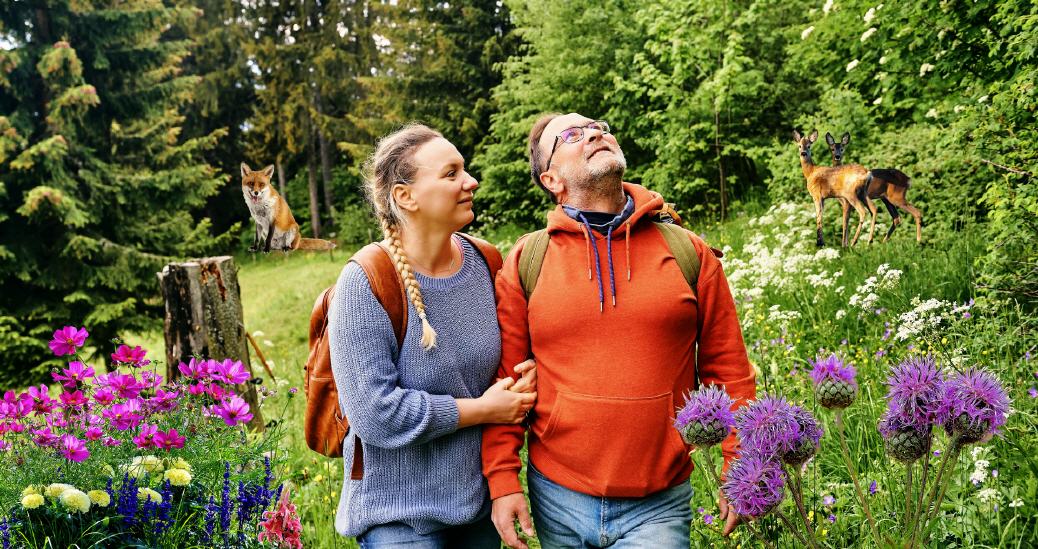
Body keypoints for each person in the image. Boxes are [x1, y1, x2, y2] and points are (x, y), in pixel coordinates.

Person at [483, 113, 757, 548]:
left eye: (601, 127)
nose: (595, 133)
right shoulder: (527, 260)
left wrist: (741, 468)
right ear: (551, 179)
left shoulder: (688, 252)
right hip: (557, 494)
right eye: (572, 135)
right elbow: (508, 383)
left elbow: (729, 369)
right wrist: (503, 481)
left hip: (660, 499)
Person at [329, 123, 537, 548]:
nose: (470, 181)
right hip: (398, 520)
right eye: (451, 173)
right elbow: (374, 415)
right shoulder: (367, 281)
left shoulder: (486, 262)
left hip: (478, 509)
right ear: (406, 196)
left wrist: (524, 377)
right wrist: (482, 410)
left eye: (465, 170)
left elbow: (505, 365)